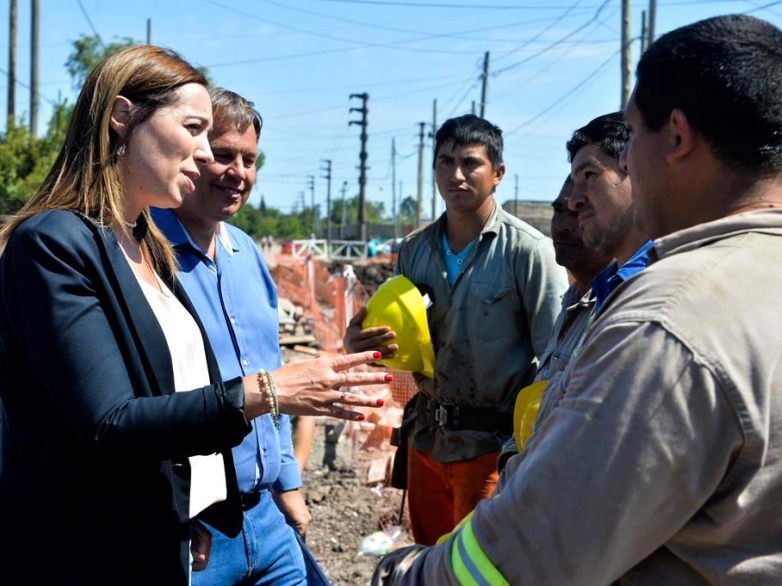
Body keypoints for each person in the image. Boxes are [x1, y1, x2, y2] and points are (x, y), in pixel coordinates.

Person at [372, 14, 782, 585]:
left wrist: (410, 575)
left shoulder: (675, 315)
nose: (625, 162)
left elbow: (532, 556)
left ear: (678, 137)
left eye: (633, 136)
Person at [0, 45, 387, 586]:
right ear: (122, 117)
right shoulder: (55, 243)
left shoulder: (145, 245)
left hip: (160, 534)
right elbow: (112, 424)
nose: (206, 153)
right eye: (194, 129)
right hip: (85, 551)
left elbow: (166, 401)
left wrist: (193, 503)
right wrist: (269, 391)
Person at [346, 114, 568, 546]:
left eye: (471, 163)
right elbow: (402, 340)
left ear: (498, 173)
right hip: (427, 439)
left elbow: (556, 358)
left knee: (480, 565)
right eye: (446, 162)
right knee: (430, 556)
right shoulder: (415, 250)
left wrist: (538, 454)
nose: (457, 174)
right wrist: (363, 343)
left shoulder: (529, 252)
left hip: (493, 449)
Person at [152, 87, 327, 585]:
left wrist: (288, 483)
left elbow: (271, 385)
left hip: (267, 520)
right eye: (223, 155)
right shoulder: (144, 256)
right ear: (191, 154)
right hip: (196, 531)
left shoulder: (247, 254)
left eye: (250, 160)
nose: (240, 174)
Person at [496, 175, 611, 474]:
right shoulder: (572, 302)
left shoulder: (614, 312)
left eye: (576, 213)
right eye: (558, 210)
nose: (561, 225)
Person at [567, 112, 651, 318]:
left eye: (589, 175)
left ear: (633, 167)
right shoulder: (601, 290)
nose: (573, 201)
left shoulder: (664, 283)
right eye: (575, 185)